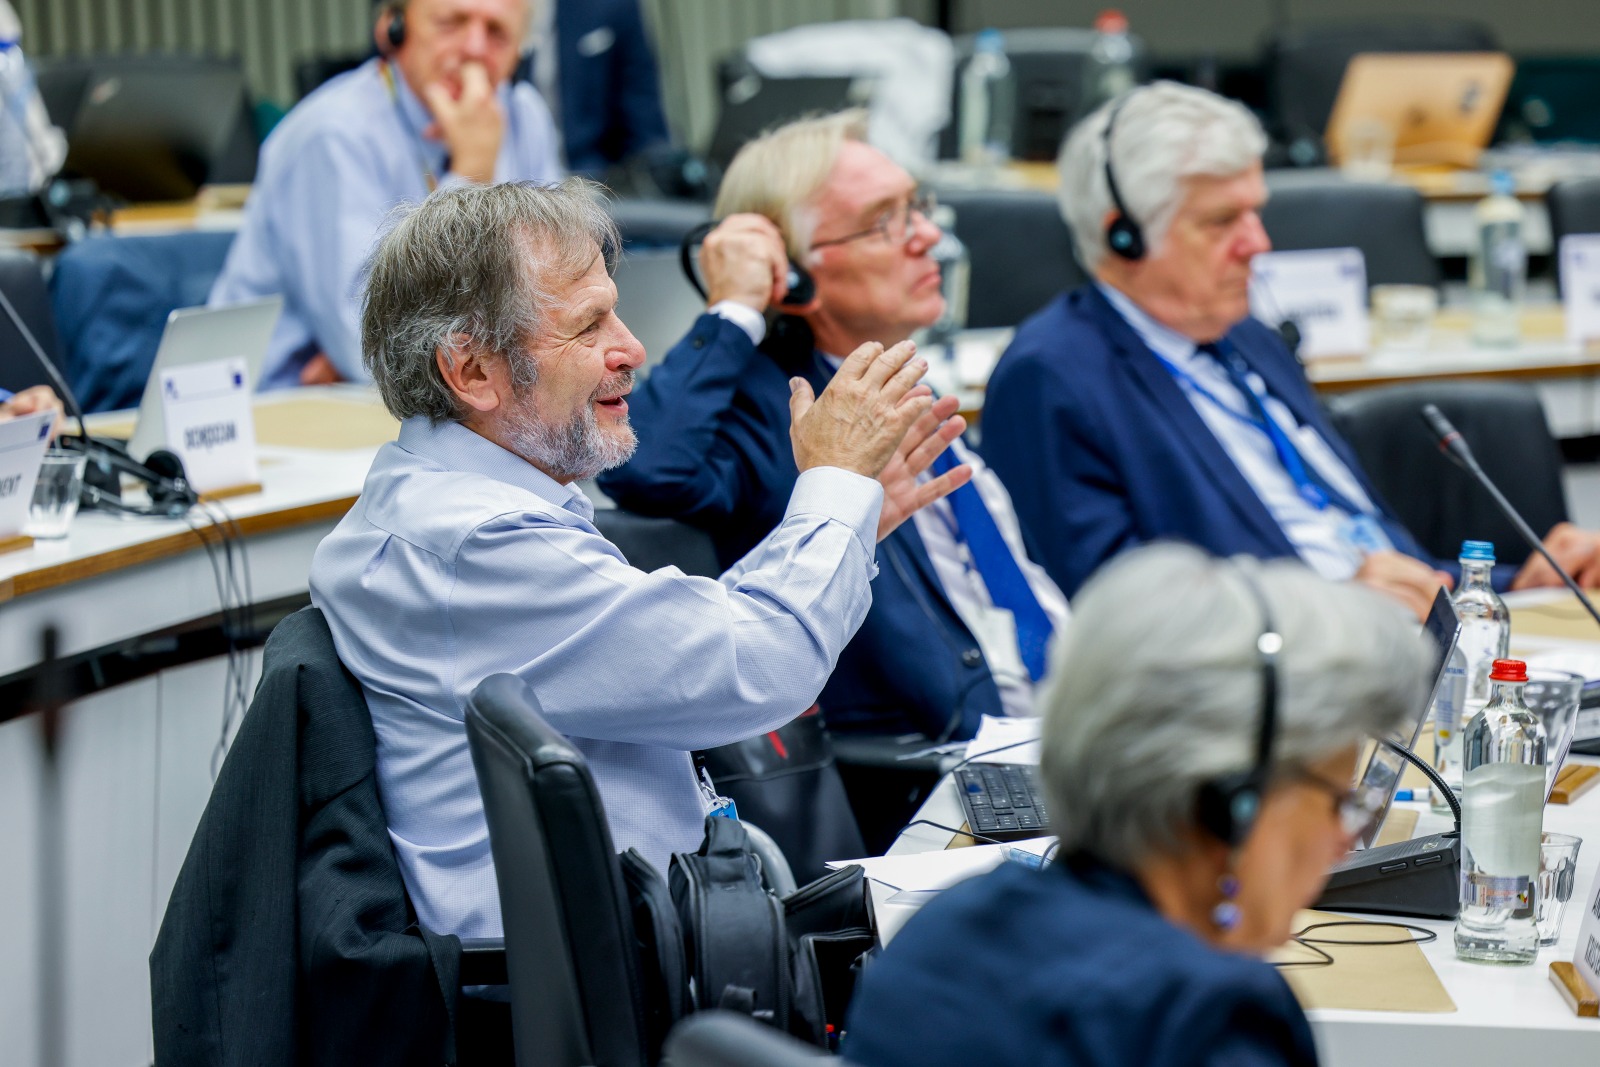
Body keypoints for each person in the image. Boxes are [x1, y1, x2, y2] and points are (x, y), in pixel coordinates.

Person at [309, 179, 969, 940]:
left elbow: (685, 646)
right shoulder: (475, 542)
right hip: (621, 984)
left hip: (654, 940)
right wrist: (837, 484)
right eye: (588, 326)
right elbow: (758, 667)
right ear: (473, 372)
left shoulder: (445, 503)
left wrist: (850, 522)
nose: (632, 349)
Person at [981, 82, 1600, 618]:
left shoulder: (1248, 339)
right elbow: (1109, 617)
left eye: (1256, 213)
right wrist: (1331, 608)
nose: (1258, 243)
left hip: (1399, 646)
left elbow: (1359, 549)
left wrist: (1511, 587)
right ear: (1125, 237)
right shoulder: (1053, 376)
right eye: (1222, 221)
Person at [845, 543, 1432, 1067]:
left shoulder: (944, 931)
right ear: (1228, 801)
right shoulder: (1204, 1018)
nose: (1343, 842)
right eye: (1337, 803)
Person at [597, 111, 1070, 741]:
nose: (929, 235)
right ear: (795, 276)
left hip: (1057, 718)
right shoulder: (777, 408)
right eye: (884, 222)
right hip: (935, 761)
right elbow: (640, 467)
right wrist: (735, 308)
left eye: (918, 207)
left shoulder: (907, 384)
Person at [209, 0, 562, 391]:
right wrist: (472, 173)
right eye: (452, 23)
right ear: (392, 29)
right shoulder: (333, 134)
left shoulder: (524, 116)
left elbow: (558, 302)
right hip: (272, 402)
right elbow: (370, 348)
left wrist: (422, 346)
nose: (475, 49)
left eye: (497, 33)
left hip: (447, 395)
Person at [527, 0, 671, 176]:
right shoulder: (521, 100)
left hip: (597, 178)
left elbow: (644, 121)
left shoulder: (612, 6)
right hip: (514, 180)